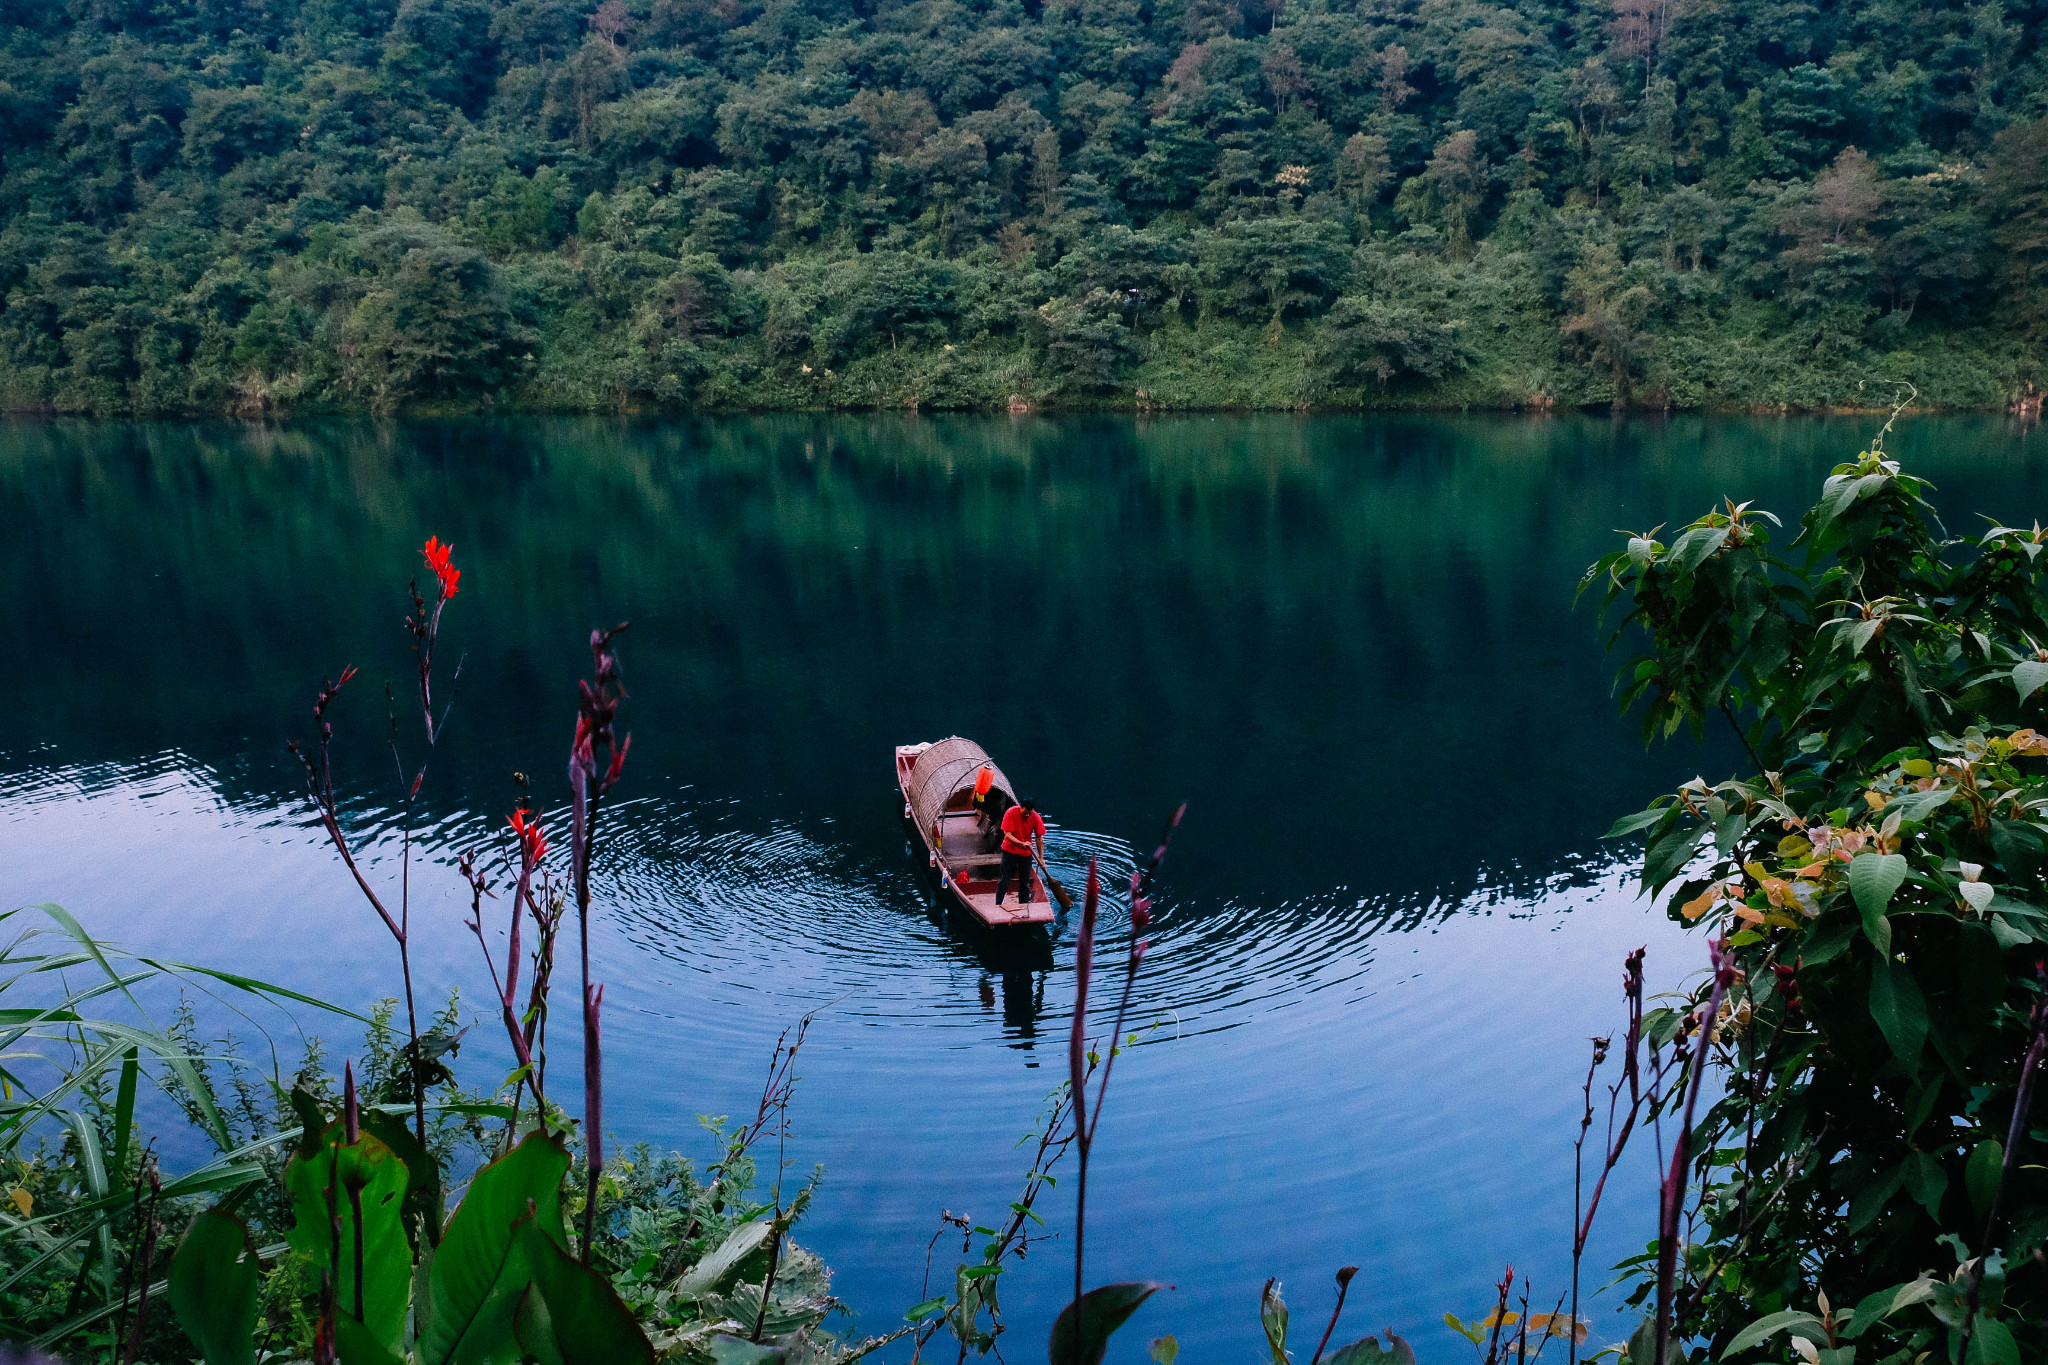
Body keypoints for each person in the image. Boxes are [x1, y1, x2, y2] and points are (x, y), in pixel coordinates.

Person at [995, 798, 1046, 907]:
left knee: (1025, 882)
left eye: (1030, 813)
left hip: (1026, 854)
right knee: (1004, 880)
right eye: (1025, 812)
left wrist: (1041, 858)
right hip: (1010, 851)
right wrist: (1021, 844)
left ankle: (1024, 906)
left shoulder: (1036, 817)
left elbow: (1039, 838)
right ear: (1020, 807)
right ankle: (998, 904)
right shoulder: (1011, 813)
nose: (1027, 815)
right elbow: (1007, 834)